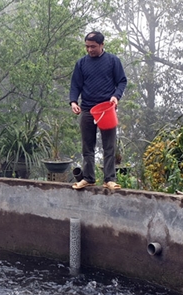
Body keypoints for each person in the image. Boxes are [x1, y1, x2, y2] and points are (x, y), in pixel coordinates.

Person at [69, 31, 127, 190]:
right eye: (87, 46)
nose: (89, 50)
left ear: (102, 45)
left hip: (106, 109)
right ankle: (88, 178)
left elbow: (122, 81)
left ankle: (109, 179)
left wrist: (116, 96)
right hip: (87, 109)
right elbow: (75, 85)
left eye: (93, 46)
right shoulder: (81, 64)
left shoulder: (113, 61)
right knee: (87, 146)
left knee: (109, 146)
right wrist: (73, 101)